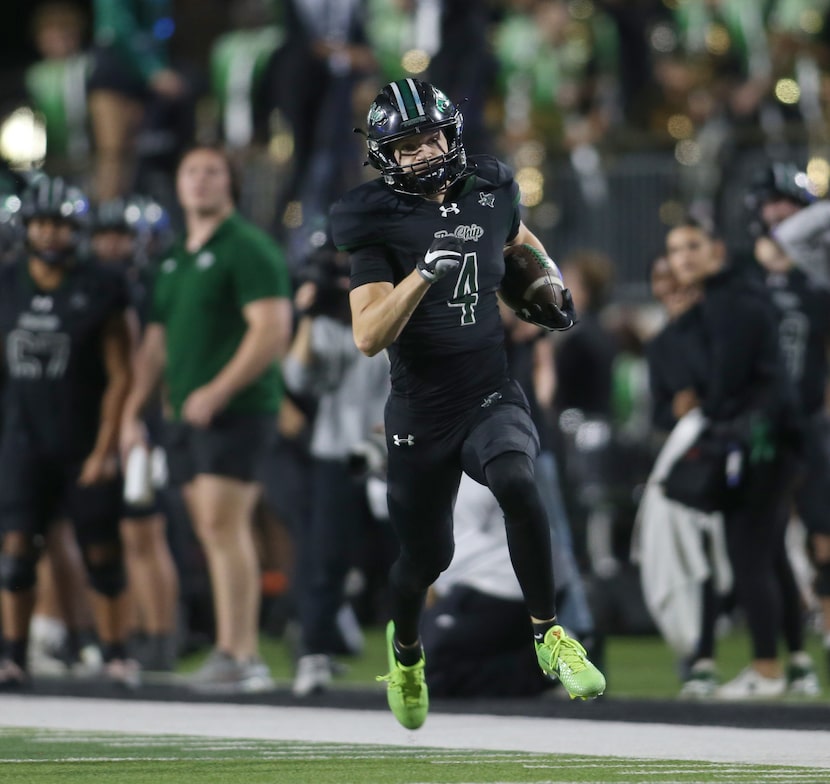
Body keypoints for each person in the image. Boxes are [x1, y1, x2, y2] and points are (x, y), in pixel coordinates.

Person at [329, 77, 606, 730]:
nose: (424, 153)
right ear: (384, 156)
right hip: (420, 410)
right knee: (425, 560)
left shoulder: (492, 184)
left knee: (515, 475)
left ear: (452, 135)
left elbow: (516, 239)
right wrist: (424, 272)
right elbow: (369, 336)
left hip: (488, 386)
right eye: (407, 145)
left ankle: (549, 635)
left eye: (431, 138)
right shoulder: (367, 218)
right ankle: (405, 654)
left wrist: (549, 280)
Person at [119, 144, 293, 693]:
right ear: (177, 183)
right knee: (208, 528)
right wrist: (131, 413)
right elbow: (154, 344)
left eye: (211, 172)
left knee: (223, 524)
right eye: (190, 171)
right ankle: (230, 649)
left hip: (237, 409)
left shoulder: (248, 247)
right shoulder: (173, 258)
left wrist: (218, 390)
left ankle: (242, 654)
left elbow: (272, 329)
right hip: (185, 414)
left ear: (230, 184)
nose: (199, 181)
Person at [0, 175, 137, 688]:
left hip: (83, 439)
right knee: (15, 552)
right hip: (23, 437)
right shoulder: (9, 282)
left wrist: (107, 446)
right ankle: (13, 654)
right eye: (41, 223)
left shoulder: (100, 284)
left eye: (58, 224)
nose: (50, 234)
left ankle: (117, 653)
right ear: (26, 228)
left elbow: (122, 373)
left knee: (102, 551)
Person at [663, 218, 807, 699]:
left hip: (760, 444)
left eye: (692, 246)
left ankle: (767, 669)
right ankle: (792, 665)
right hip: (768, 440)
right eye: (675, 250)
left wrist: (686, 334)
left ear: (716, 250)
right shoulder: (725, 299)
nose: (683, 258)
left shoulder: (731, 302)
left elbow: (720, 384)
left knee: (750, 556)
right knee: (765, 555)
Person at [282, 246, 390, 697]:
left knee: (411, 557)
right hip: (339, 453)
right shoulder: (325, 324)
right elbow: (296, 378)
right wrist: (307, 315)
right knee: (325, 559)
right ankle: (314, 653)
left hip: (394, 451)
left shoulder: (395, 308)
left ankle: (423, 651)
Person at [90, 198, 180, 671]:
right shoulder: (96, 283)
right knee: (114, 533)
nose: (113, 245)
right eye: (106, 235)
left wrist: (138, 419)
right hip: (107, 420)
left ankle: (161, 637)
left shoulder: (146, 286)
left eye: (121, 236)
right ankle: (130, 633)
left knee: (144, 529)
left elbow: (151, 357)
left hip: (142, 420)